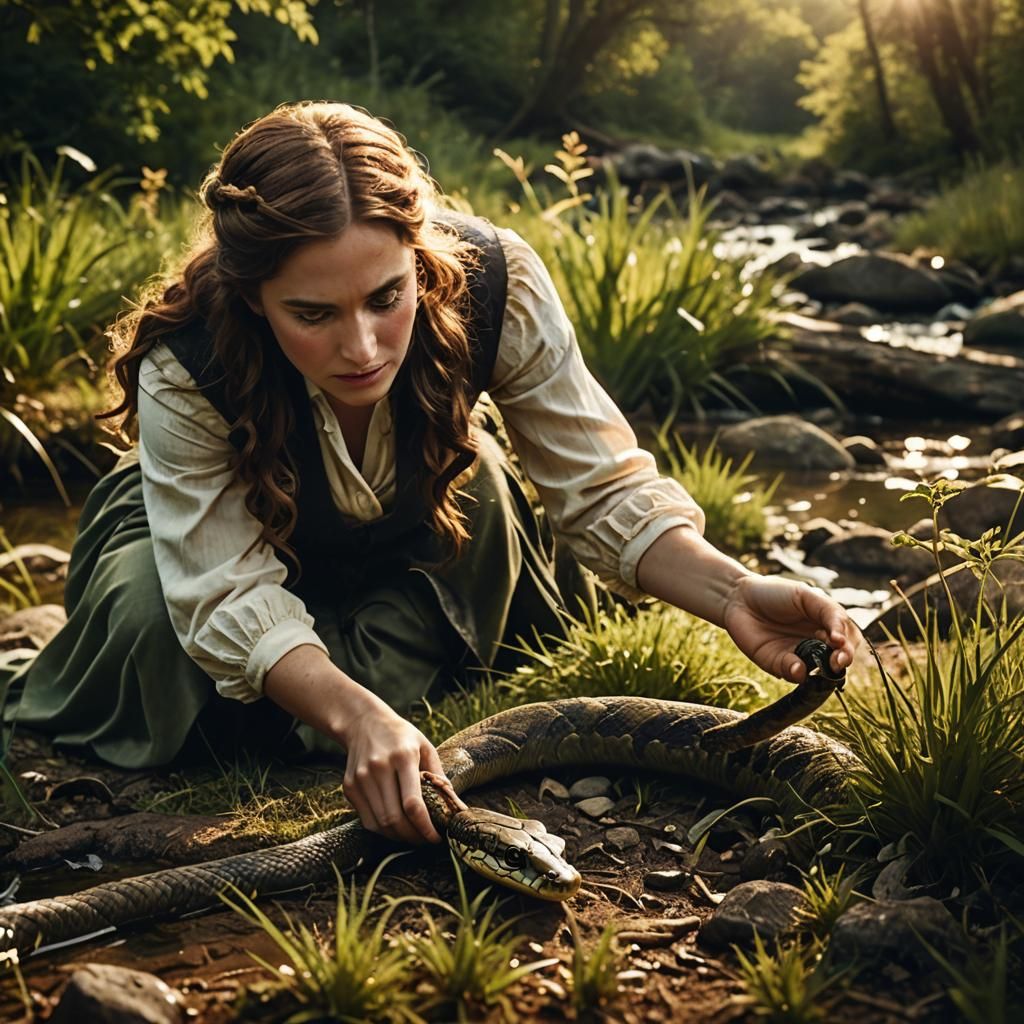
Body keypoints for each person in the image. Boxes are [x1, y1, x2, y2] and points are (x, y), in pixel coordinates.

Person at [1, 102, 857, 849]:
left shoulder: (497, 282)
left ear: (419, 258)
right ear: (253, 294)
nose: (363, 348)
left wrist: (734, 594)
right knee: (171, 638)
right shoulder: (186, 361)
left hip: (406, 516)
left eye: (385, 297)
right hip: (195, 540)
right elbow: (222, 592)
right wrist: (357, 714)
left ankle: (349, 668)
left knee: (469, 488)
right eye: (312, 314)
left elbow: (600, 489)